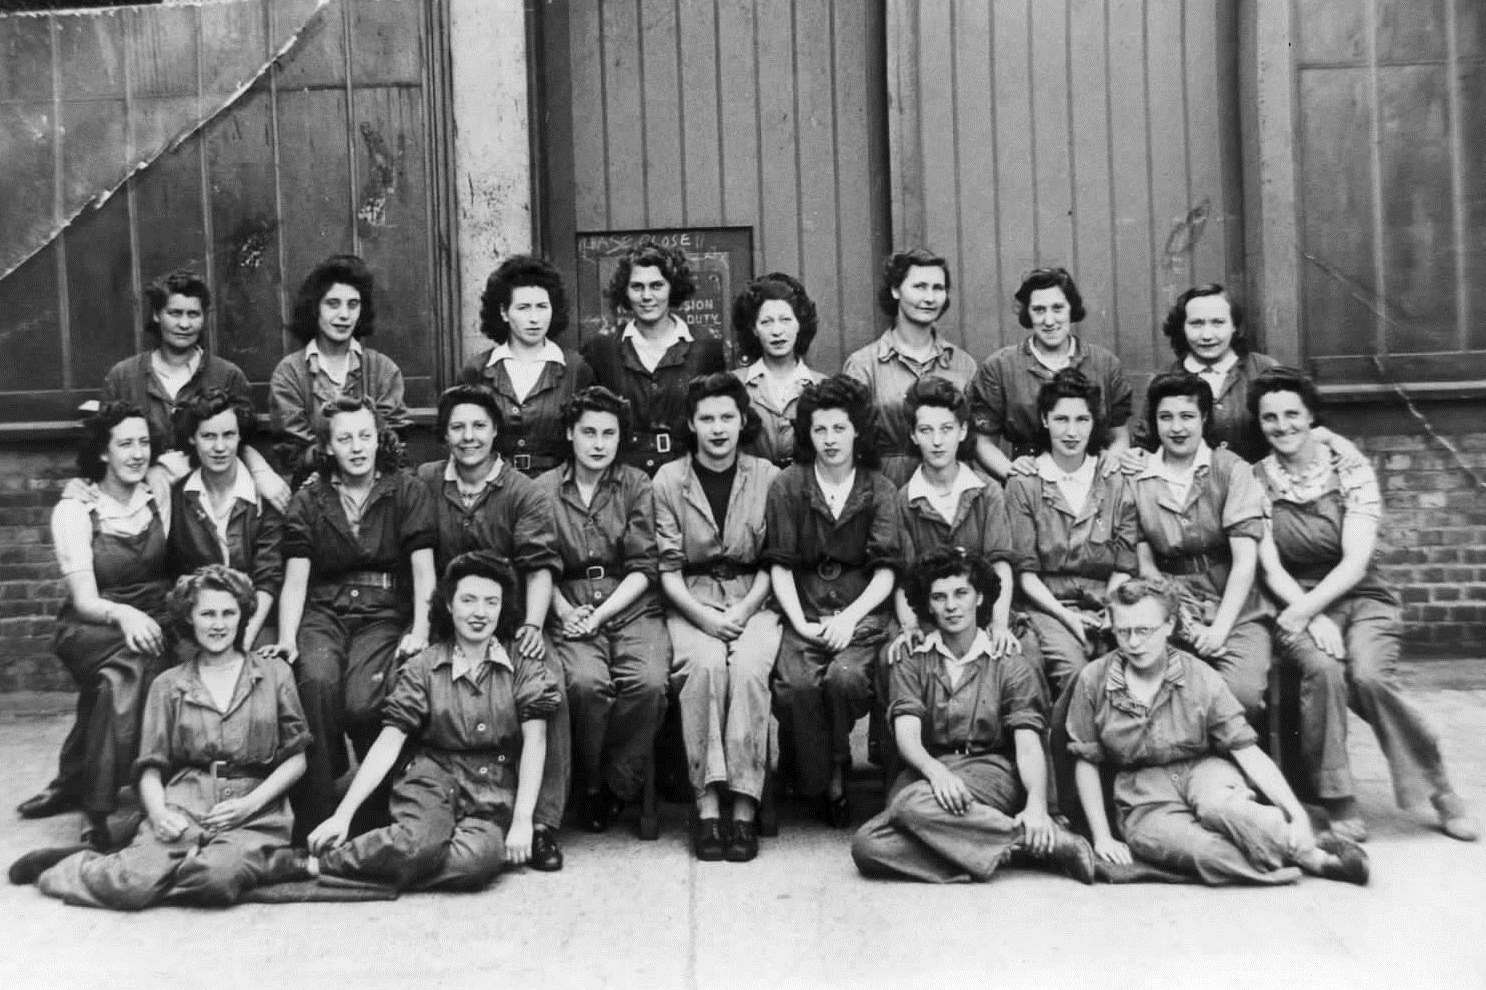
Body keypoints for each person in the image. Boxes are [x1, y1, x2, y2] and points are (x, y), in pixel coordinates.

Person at [1251, 368, 1478, 843]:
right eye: (1270, 417)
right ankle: (1337, 797)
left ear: (1312, 416)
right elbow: (1270, 568)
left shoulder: (1348, 467)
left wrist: (1312, 609)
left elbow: (1355, 562)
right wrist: (1308, 615)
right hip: (1293, 598)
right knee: (1325, 669)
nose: (1282, 425)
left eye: (1293, 413)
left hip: (1360, 593)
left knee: (1370, 677)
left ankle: (1439, 787)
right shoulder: (1257, 481)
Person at [18, 566, 309, 907]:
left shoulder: (274, 673)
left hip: (254, 808)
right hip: (186, 801)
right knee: (132, 885)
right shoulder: (168, 684)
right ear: (189, 619)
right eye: (207, 614)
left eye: (229, 613)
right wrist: (158, 814)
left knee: (216, 880)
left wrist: (249, 805)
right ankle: (74, 868)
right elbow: (150, 768)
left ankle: (205, 866)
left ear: (243, 616)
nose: (218, 624)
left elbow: (297, 758)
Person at [1066, 577, 1368, 886]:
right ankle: (1300, 856)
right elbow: (1086, 760)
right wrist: (1102, 836)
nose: (1133, 643)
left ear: (1170, 625)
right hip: (1142, 792)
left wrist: (1296, 814)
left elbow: (1246, 750)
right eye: (1123, 631)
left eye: (1144, 631)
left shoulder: (1200, 676)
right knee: (1205, 851)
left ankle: (1312, 854)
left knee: (1226, 809)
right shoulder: (1094, 680)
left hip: (1203, 769)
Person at [305, 552, 561, 890]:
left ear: (503, 608)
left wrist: (524, 821)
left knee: (477, 862)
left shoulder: (522, 664)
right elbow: (390, 741)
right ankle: (317, 864)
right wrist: (344, 813)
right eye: (468, 600)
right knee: (420, 841)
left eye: (491, 602)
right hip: (430, 778)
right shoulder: (424, 666)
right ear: (450, 606)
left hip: (492, 790)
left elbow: (536, 741)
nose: (480, 613)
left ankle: (370, 865)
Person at [851, 549, 1095, 884]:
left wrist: (1037, 805)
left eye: (960, 594)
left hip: (990, 770)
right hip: (929, 769)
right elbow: (907, 734)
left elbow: (1027, 744)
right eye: (938, 597)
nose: (951, 606)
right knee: (868, 846)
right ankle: (1024, 844)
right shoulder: (913, 659)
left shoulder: (1008, 659)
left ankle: (979, 839)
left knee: (909, 805)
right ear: (927, 604)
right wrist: (936, 773)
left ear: (979, 598)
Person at [414, 384, 571, 871]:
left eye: (479, 425)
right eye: (457, 427)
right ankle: (420, 807)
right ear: (444, 433)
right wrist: (423, 628)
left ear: (496, 431)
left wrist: (531, 624)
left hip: (506, 620)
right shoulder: (423, 482)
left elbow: (540, 566)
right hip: (447, 621)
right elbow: (419, 562)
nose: (468, 437)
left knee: (550, 689)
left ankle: (541, 823)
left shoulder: (522, 491)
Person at [275, 396, 436, 841]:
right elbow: (295, 580)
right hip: (323, 610)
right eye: (345, 438)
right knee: (316, 684)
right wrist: (288, 637)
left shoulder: (406, 490)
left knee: (364, 701)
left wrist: (420, 627)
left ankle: (373, 808)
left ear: (378, 438)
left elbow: (424, 572)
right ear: (328, 447)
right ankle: (316, 813)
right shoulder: (309, 499)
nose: (357, 447)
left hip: (384, 610)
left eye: (365, 435)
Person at [18, 403, 172, 849]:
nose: (137, 453)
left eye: (144, 442)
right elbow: (85, 601)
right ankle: (101, 810)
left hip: (155, 616)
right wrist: (124, 614)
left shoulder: (158, 492)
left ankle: (81, 784)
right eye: (124, 444)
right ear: (103, 453)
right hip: (94, 622)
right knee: (128, 668)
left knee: (114, 683)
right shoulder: (76, 510)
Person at [654, 373, 782, 861]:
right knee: (705, 666)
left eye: (727, 416)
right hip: (691, 595)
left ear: (743, 420)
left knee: (750, 668)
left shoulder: (767, 476)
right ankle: (707, 806)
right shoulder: (669, 480)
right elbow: (666, 571)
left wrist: (746, 611)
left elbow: (776, 561)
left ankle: (746, 806)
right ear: (691, 424)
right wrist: (705, 618)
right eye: (706, 418)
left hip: (755, 596)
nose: (718, 428)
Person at [763, 375, 900, 826]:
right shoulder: (789, 484)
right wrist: (800, 622)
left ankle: (837, 769)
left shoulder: (878, 488)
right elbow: (779, 563)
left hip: (861, 614)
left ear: (857, 430)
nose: (830, 440)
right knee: (797, 685)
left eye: (839, 428)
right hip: (803, 608)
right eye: (820, 430)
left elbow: (886, 570)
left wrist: (851, 618)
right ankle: (813, 776)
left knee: (845, 679)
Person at [537, 386, 670, 831]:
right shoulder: (544, 491)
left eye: (608, 434)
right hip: (569, 602)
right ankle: (589, 783)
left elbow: (643, 566)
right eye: (588, 432)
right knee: (584, 685)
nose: (598, 443)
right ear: (570, 434)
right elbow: (536, 564)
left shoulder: (636, 484)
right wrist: (561, 609)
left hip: (628, 602)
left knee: (648, 682)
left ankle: (619, 783)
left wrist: (601, 614)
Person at [1129, 372, 1271, 720]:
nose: (1177, 427)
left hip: (1234, 603)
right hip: (1169, 600)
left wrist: (1220, 628)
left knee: (1241, 695)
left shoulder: (1231, 470)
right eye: (1166, 417)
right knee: (1171, 693)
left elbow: (1244, 561)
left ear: (1204, 419)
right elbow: (1145, 563)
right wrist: (1178, 614)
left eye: (1187, 416)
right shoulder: (1138, 476)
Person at [101, 270, 290, 508]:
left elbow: (238, 443)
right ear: (157, 315)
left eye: (193, 314)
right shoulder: (123, 377)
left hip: (209, 502)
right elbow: (103, 447)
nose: (184, 324)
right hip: (142, 505)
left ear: (203, 318)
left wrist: (260, 470)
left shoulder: (227, 376)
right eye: (174, 313)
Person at [1005, 369, 1137, 697]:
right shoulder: (1026, 483)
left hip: (1110, 601)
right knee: (1075, 673)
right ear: (1045, 420)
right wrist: (1066, 616)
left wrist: (1109, 608)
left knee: (1128, 670)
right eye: (1061, 419)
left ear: (1095, 424)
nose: (1072, 431)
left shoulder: (1115, 479)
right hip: (1049, 605)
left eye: (1082, 420)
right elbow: (1026, 573)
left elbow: (1124, 563)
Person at [968, 267, 1133, 481]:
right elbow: (983, 442)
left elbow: (1119, 436)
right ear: (1028, 313)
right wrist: (1013, 475)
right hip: (1029, 478)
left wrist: (1112, 461)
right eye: (1039, 310)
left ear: (1071, 309)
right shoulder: (999, 367)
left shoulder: (1105, 364)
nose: (1049, 321)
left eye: (1057, 308)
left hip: (1093, 480)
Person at [892, 377, 1018, 659]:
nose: (937, 441)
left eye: (946, 429)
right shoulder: (904, 499)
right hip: (929, 617)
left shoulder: (987, 491)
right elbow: (904, 577)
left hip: (983, 614)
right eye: (926, 430)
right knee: (901, 659)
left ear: (962, 431)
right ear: (913, 435)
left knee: (1021, 655)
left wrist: (999, 624)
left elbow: (1001, 565)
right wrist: (910, 626)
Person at [582, 240, 727, 475]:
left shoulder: (704, 349)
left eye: (657, 285)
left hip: (686, 475)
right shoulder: (603, 349)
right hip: (621, 477)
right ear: (625, 291)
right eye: (637, 287)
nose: (647, 296)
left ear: (672, 288)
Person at [843, 249, 977, 485]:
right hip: (884, 485)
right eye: (919, 286)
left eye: (938, 288)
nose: (929, 297)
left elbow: (970, 441)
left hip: (946, 486)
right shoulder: (864, 365)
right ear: (895, 290)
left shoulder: (962, 364)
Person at [270, 254, 410, 479]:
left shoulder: (383, 369)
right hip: (313, 488)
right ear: (315, 308)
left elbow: (392, 445)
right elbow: (294, 453)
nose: (344, 315)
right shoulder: (290, 373)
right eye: (333, 304)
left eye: (352, 305)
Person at [166, 388, 283, 651]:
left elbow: (269, 576)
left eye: (228, 435)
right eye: (208, 436)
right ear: (193, 439)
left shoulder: (264, 496)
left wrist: (245, 638)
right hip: (199, 625)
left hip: (257, 621)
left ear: (240, 436)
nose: (220, 447)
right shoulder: (178, 497)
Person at [458, 255, 596, 478]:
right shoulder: (478, 370)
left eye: (542, 307)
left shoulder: (575, 369)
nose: (534, 318)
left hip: (557, 489)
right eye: (523, 308)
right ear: (504, 312)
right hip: (494, 488)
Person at [731, 273, 825, 468]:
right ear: (754, 329)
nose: (777, 331)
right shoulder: (734, 385)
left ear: (800, 324)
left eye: (785, 320)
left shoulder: (821, 385)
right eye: (766, 322)